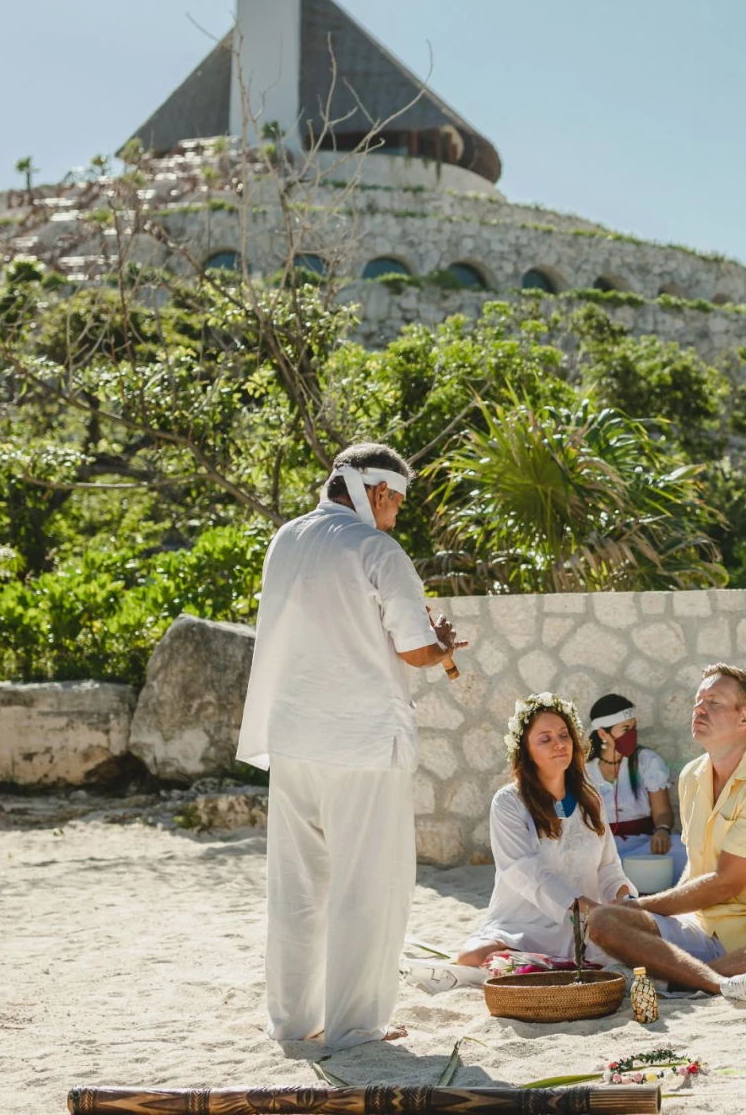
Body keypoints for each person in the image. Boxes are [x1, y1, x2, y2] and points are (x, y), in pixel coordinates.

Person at [236, 443, 467, 1054]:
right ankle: (355, 1027)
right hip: (362, 743)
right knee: (369, 885)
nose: (397, 517)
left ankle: (292, 1021)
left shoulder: (285, 539)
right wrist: (441, 644)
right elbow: (415, 650)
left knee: (296, 886)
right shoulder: (376, 549)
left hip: (292, 740)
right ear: (380, 492)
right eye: (398, 503)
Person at [585, 664, 746, 1008]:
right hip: (699, 928)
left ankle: (685, 979)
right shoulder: (691, 776)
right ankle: (717, 981)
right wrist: (637, 913)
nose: (699, 709)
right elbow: (696, 869)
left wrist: (640, 905)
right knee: (605, 919)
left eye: (714, 702)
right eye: (698, 701)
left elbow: (728, 882)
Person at [455, 694, 635, 968]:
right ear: (526, 750)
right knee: (472, 956)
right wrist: (586, 909)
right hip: (527, 925)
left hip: (586, 925)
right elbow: (525, 871)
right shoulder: (509, 803)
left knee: (644, 938)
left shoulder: (591, 800)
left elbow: (608, 866)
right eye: (545, 738)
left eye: (564, 734)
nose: (559, 744)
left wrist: (624, 901)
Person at [584, 692, 687, 873]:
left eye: (634, 728)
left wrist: (662, 830)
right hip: (601, 851)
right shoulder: (586, 770)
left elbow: (662, 812)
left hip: (644, 846)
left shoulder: (646, 761)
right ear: (603, 733)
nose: (632, 734)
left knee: (685, 852)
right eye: (625, 729)